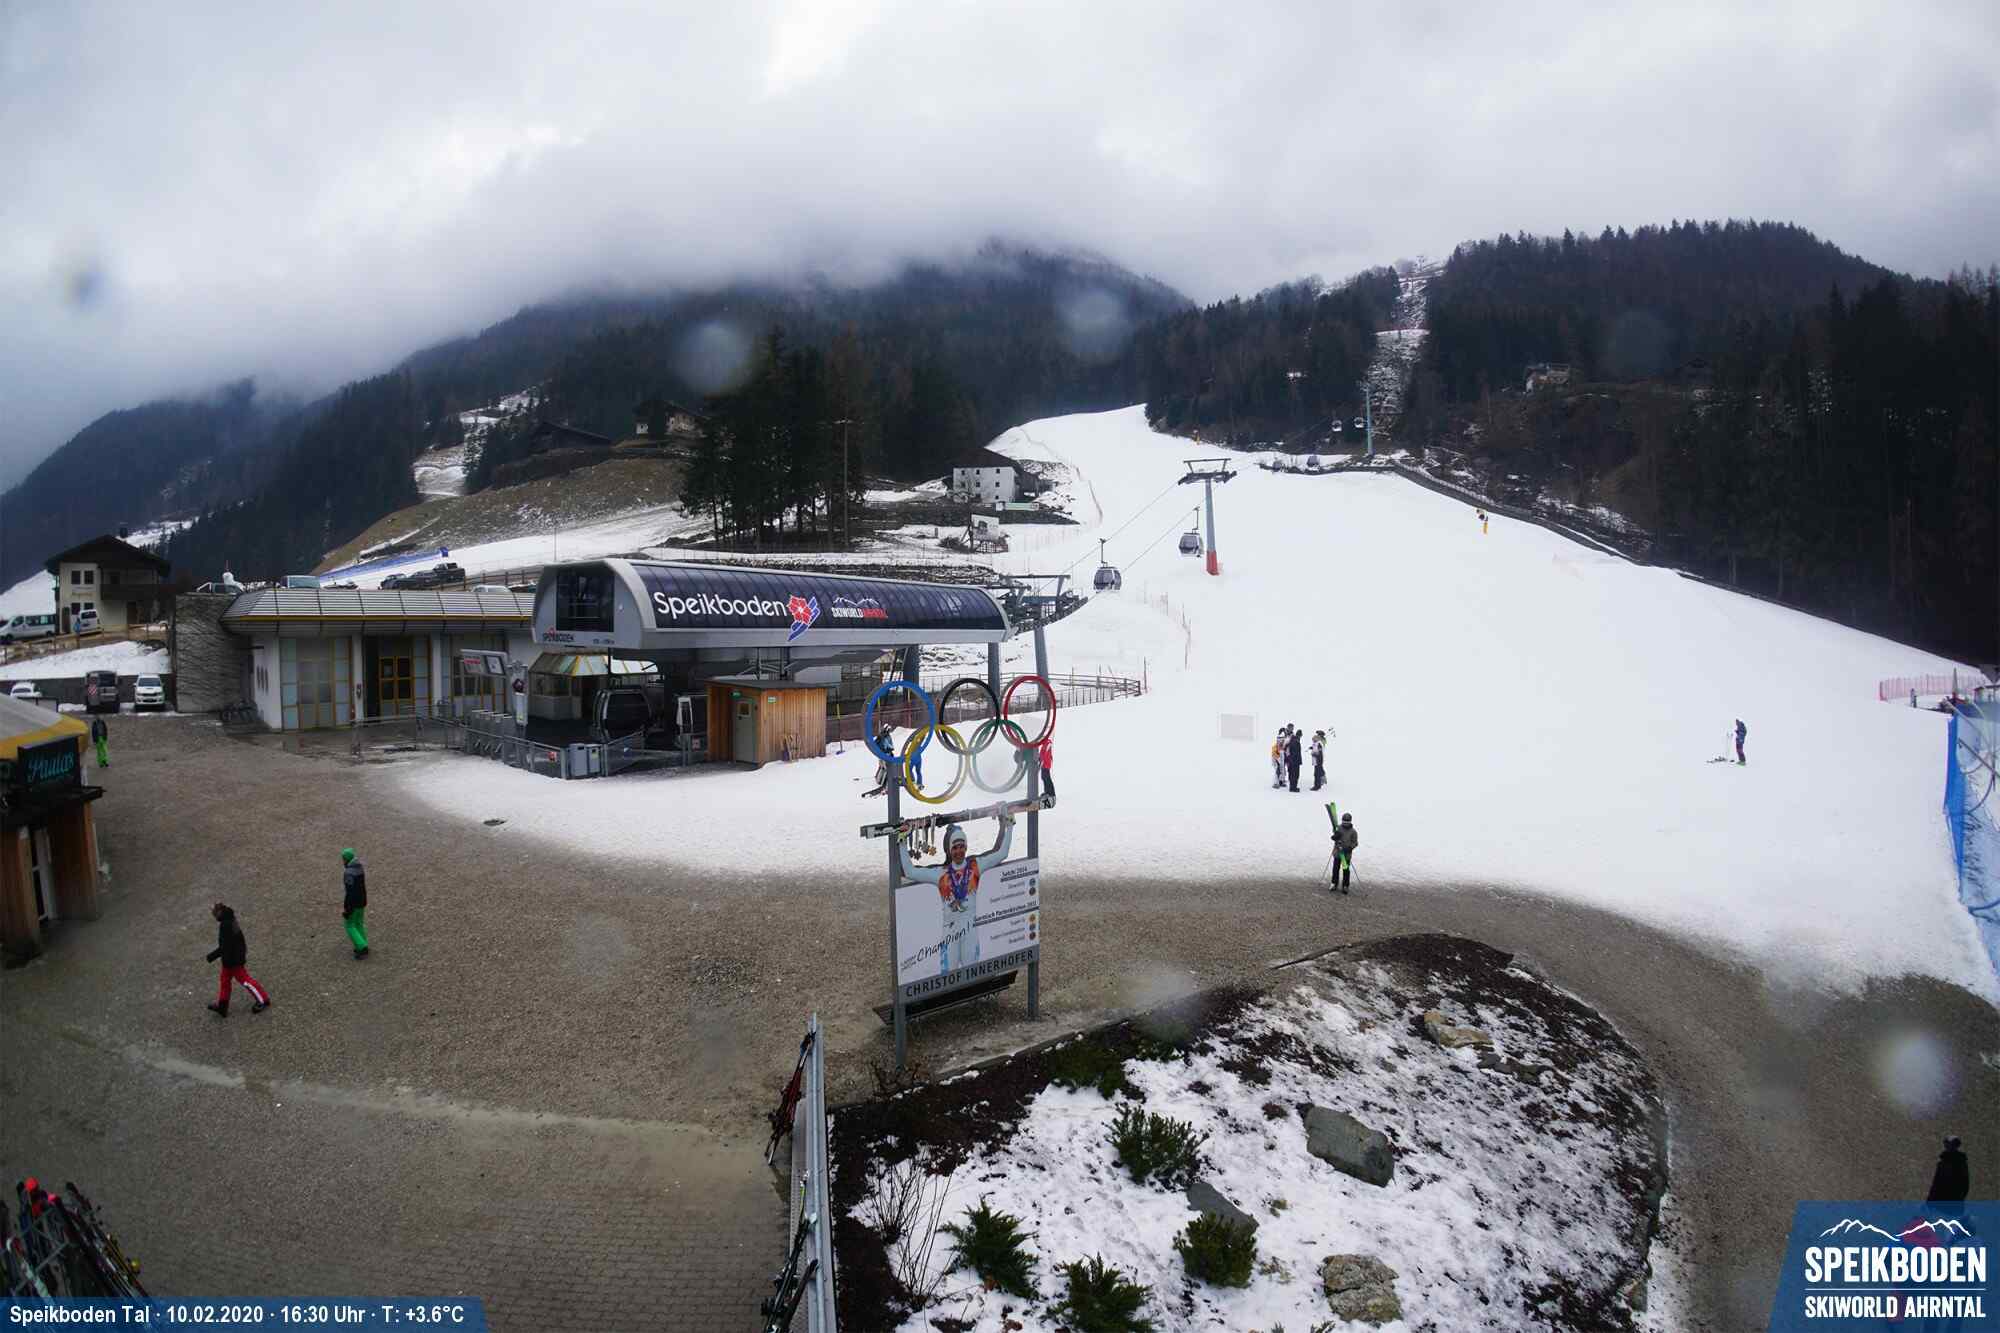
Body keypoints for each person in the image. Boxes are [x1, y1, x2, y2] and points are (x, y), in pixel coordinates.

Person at [897, 816, 1014, 974]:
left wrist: (1009, 826)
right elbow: (909, 872)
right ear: (949, 850)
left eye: (961, 846)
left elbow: (1002, 854)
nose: (958, 851)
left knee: (971, 972)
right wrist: (902, 840)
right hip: (950, 932)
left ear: (966, 847)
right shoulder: (940, 873)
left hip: (970, 929)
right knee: (948, 974)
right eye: (955, 847)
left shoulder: (976, 866)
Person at [204, 903, 269, 1016]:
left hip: (233, 960)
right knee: (225, 981)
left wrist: (211, 956)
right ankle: (222, 1006)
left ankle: (263, 999)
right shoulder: (230, 919)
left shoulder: (225, 925)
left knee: (245, 981)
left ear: (219, 913)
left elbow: (225, 946)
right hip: (231, 958)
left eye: (214, 914)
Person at [340, 847, 369, 959]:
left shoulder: (349, 873)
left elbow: (350, 893)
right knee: (359, 923)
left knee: (349, 925)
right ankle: (363, 942)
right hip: (362, 901)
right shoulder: (360, 868)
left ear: (346, 859)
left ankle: (361, 947)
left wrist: (347, 909)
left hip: (354, 904)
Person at [1926, 1135, 1969, 1207]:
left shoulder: (1957, 1162)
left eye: (1949, 1145)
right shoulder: (1959, 1162)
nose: (1948, 1147)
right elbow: (1936, 1182)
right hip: (1948, 1200)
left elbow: (1937, 1182)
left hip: (1949, 1200)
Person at [863, 725, 895, 797]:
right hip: (886, 755)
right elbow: (890, 746)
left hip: (880, 755)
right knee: (888, 769)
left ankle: (879, 780)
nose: (889, 732)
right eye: (889, 730)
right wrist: (890, 749)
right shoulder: (886, 737)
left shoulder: (880, 736)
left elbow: (875, 743)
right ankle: (886, 785)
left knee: (882, 767)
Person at [1332, 812, 1359, 892]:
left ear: (1350, 822)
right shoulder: (1338, 828)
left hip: (1346, 855)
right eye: (1344, 822)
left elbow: (1355, 843)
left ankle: (1345, 886)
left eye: (1347, 822)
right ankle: (1334, 883)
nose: (1345, 824)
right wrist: (1335, 837)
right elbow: (1334, 836)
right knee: (1335, 869)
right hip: (1338, 853)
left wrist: (1349, 848)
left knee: (1346, 870)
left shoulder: (1353, 832)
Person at [1036, 734, 1056, 806]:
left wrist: (1041, 759)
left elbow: (1045, 753)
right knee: (1044, 777)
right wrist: (1039, 758)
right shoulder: (1044, 744)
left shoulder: (1047, 743)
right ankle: (1047, 792)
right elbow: (1042, 753)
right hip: (1044, 764)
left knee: (1046, 778)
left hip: (1046, 763)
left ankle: (1051, 793)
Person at [1285, 726, 1303, 793]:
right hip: (1294, 762)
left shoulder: (1293, 740)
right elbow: (1295, 752)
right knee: (1295, 775)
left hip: (1292, 761)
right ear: (1299, 735)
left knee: (1292, 774)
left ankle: (1292, 787)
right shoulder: (1295, 741)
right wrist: (1295, 760)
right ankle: (1293, 788)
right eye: (1300, 736)